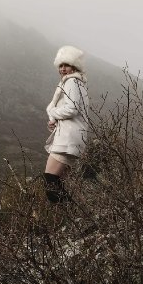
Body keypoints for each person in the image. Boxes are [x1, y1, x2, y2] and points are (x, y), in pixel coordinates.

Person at [44, 45, 91, 204]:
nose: (63, 69)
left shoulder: (72, 81)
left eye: (67, 65)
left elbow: (72, 109)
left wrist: (53, 112)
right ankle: (75, 213)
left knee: (50, 182)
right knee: (59, 184)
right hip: (70, 136)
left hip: (68, 139)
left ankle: (75, 213)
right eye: (61, 66)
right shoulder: (77, 83)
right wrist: (54, 121)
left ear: (74, 67)